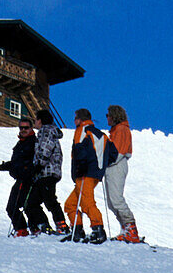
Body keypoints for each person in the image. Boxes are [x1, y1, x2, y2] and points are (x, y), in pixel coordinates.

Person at [62, 108, 116, 244]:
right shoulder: (102, 135)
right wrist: (100, 165)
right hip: (95, 174)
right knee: (71, 204)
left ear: (80, 119)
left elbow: (79, 150)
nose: (74, 121)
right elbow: (113, 154)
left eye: (75, 118)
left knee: (87, 203)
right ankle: (77, 231)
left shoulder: (82, 130)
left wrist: (82, 166)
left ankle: (98, 230)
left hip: (84, 173)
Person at [24, 108, 68, 235]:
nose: (34, 122)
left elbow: (45, 149)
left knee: (49, 200)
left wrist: (38, 165)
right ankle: (44, 226)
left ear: (40, 120)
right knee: (32, 202)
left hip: (47, 172)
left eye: (35, 119)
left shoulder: (46, 131)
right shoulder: (46, 131)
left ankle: (62, 226)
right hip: (45, 172)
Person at [104, 104, 140, 243]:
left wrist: (106, 162)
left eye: (108, 115)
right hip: (114, 165)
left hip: (117, 165)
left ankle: (131, 228)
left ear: (114, 116)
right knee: (112, 202)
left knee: (116, 199)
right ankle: (126, 228)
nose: (106, 118)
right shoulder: (116, 130)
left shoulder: (121, 130)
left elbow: (118, 152)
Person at [0, 117, 37, 236]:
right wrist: (5, 166)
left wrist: (28, 170)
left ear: (31, 128)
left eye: (26, 127)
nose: (23, 130)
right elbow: (17, 162)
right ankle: (22, 230)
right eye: (21, 127)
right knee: (12, 206)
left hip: (28, 178)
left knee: (24, 205)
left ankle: (33, 228)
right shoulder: (21, 143)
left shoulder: (34, 142)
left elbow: (34, 161)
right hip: (20, 178)